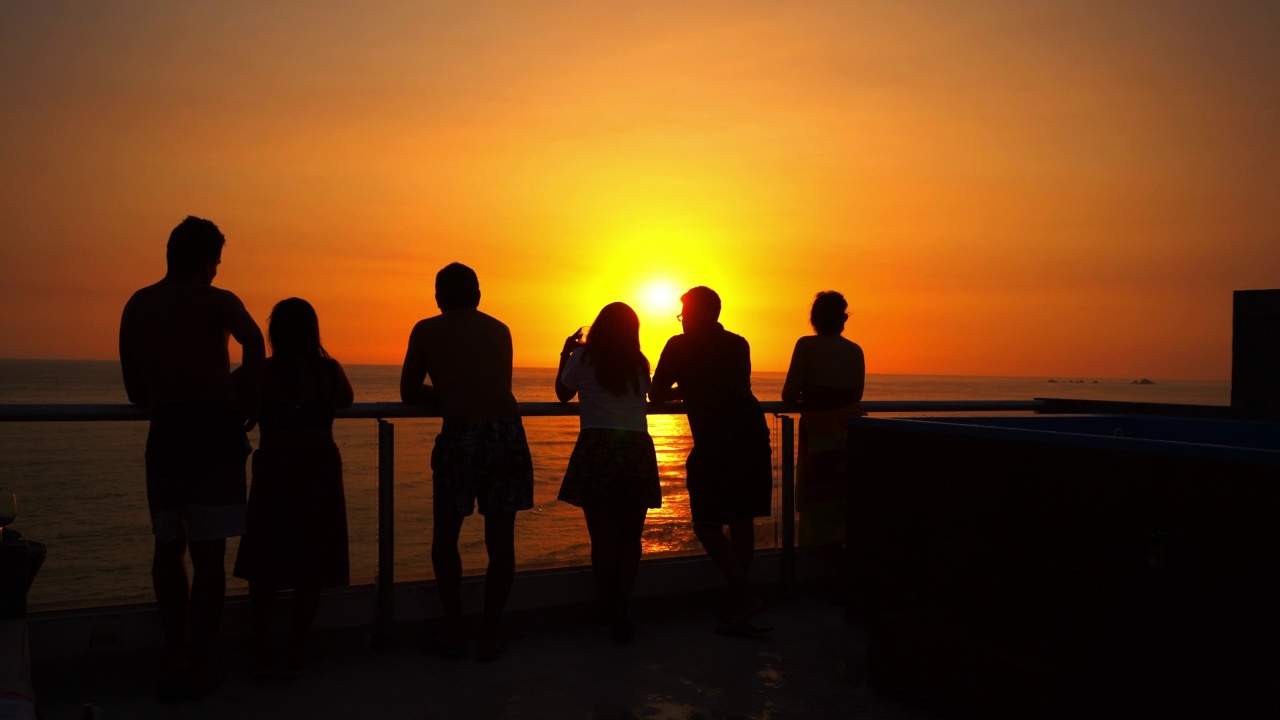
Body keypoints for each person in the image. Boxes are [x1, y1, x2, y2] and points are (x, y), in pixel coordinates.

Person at [119, 216, 265, 698]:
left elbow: (134, 387)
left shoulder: (139, 304)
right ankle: (201, 663)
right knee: (209, 555)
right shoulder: (218, 301)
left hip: (166, 429)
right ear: (208, 262)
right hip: (213, 431)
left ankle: (175, 657)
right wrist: (250, 400)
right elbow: (254, 341)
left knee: (167, 546)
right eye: (217, 263)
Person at [400, 262, 534, 662]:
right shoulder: (500, 329)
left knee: (445, 537)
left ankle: (456, 631)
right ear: (477, 294)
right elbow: (493, 383)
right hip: (506, 434)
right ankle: (489, 636)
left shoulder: (426, 330)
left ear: (439, 296)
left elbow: (409, 391)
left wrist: (443, 396)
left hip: (461, 435)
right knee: (501, 542)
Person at [233, 298, 354, 679]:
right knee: (313, 560)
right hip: (319, 463)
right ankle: (297, 647)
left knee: (265, 559)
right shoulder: (328, 371)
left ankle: (262, 647)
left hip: (276, 466)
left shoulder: (260, 374)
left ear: (274, 333)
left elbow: (232, 397)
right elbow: (346, 399)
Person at [650, 286, 773, 636]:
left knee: (706, 524)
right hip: (751, 434)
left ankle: (745, 596)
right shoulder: (739, 343)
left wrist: (681, 390)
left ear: (699, 313)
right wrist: (689, 388)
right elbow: (732, 385)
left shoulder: (678, 345)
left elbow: (656, 393)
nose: (682, 319)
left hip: (716, 441)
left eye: (684, 313)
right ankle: (740, 600)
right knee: (741, 519)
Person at [554, 303, 662, 644]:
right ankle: (622, 608)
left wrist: (565, 353)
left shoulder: (584, 358)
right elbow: (648, 396)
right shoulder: (638, 362)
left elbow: (562, 394)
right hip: (635, 447)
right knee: (631, 539)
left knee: (603, 540)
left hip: (598, 447)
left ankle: (608, 609)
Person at [781, 291, 865, 583]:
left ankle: (845, 580)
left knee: (818, 507)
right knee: (843, 505)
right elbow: (856, 395)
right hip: (850, 436)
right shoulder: (855, 351)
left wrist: (811, 394)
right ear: (841, 318)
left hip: (819, 438)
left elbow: (788, 395)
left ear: (815, 319)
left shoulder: (806, 346)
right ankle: (848, 579)